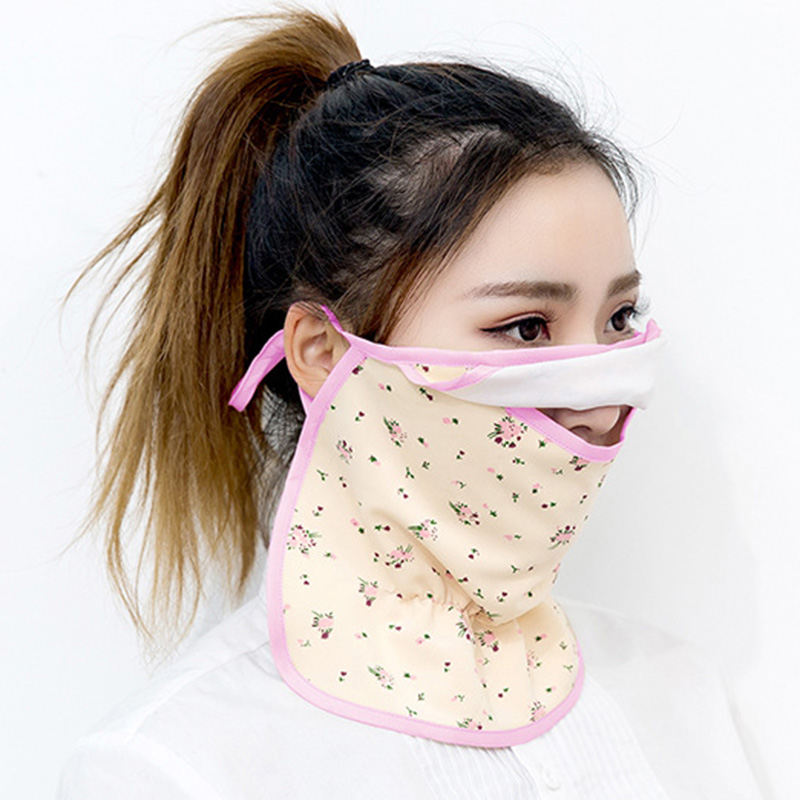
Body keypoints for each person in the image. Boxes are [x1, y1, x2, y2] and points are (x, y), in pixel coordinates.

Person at [58, 10, 763, 799]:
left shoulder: (681, 696)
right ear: (324, 354)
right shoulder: (174, 770)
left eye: (619, 319)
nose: (600, 403)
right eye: (526, 327)